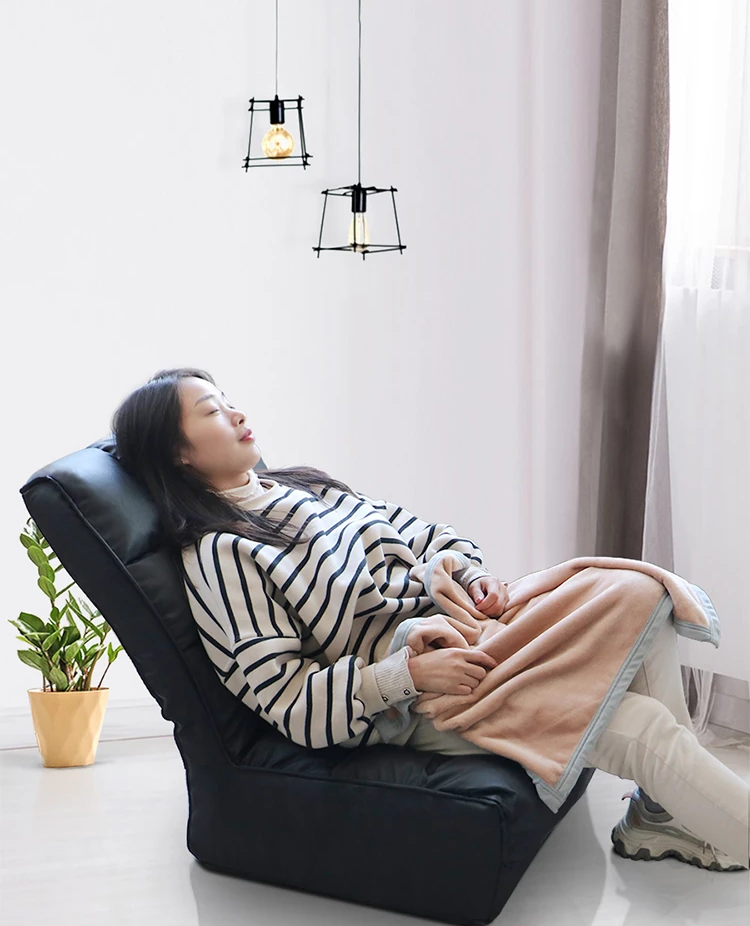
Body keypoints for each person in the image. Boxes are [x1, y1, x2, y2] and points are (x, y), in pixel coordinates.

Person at [112, 366, 750, 872]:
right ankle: (682, 815)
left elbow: (422, 535)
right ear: (179, 455)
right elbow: (288, 700)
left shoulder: (305, 487)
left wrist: (466, 574)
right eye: (213, 411)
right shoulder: (222, 555)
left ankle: (662, 815)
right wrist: (408, 675)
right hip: (422, 695)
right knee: (640, 728)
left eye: (229, 400)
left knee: (639, 593)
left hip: (476, 631)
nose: (237, 413)